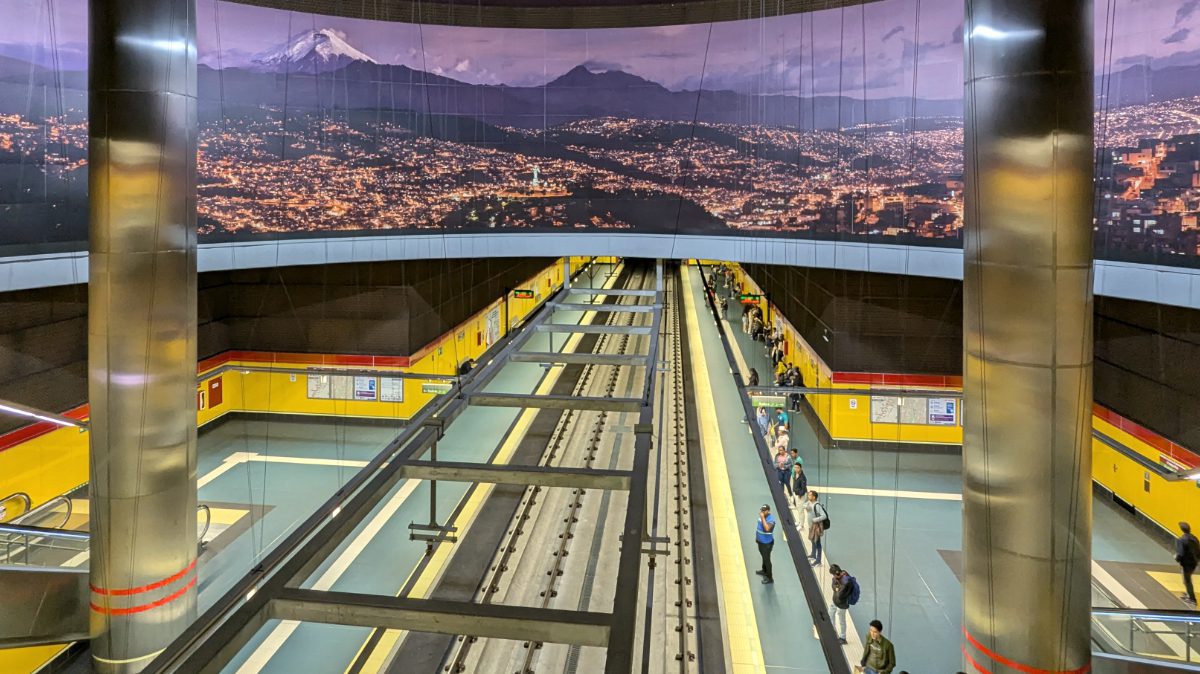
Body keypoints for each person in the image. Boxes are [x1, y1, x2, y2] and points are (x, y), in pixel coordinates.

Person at [829, 564, 860, 645]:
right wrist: (835, 586)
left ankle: (843, 638)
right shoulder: (838, 576)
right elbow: (834, 587)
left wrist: (837, 588)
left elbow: (841, 595)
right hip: (836, 600)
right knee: (831, 612)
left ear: (837, 574)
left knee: (841, 619)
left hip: (842, 603)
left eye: (833, 575)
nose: (833, 576)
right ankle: (832, 630)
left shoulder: (846, 582)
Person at [1177, 522, 1200, 604]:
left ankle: (1192, 599)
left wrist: (1177, 558)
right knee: (1187, 578)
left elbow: (1181, 553)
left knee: (1187, 580)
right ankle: (1188, 594)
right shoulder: (1195, 538)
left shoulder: (1181, 540)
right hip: (1194, 562)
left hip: (1186, 563)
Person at [754, 504, 776, 584]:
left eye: (764, 510)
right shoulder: (761, 517)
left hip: (766, 544)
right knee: (764, 556)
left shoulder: (771, 520)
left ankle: (770, 578)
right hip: (760, 542)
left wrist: (763, 517)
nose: (762, 512)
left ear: (768, 511)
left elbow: (767, 529)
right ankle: (764, 570)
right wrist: (757, 538)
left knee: (767, 560)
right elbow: (759, 526)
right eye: (762, 510)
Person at [807, 490, 828, 565]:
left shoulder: (817, 505)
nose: (808, 496)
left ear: (814, 497)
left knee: (817, 543)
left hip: (816, 528)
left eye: (810, 495)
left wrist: (815, 519)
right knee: (813, 540)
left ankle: (818, 560)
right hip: (811, 526)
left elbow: (824, 516)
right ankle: (813, 555)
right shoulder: (810, 503)